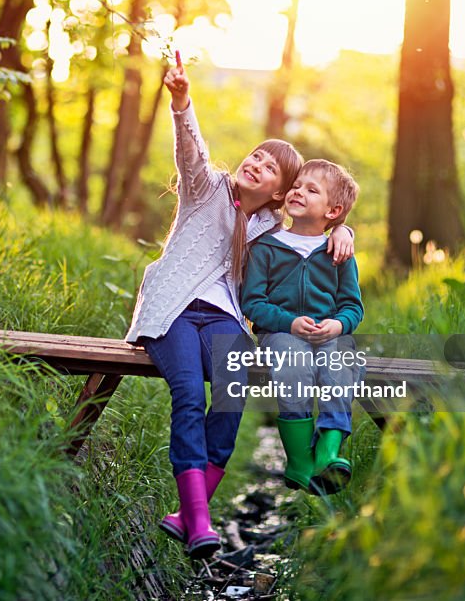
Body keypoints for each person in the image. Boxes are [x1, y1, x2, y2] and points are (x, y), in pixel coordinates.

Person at [125, 56, 354, 559]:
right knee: (188, 393)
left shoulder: (271, 228)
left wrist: (344, 229)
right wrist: (181, 101)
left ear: (280, 191)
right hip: (175, 312)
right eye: (256, 157)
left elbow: (314, 226)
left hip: (223, 319)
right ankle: (200, 522)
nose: (256, 165)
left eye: (270, 168)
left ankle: (189, 515)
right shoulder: (206, 188)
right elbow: (191, 151)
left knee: (231, 395)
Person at [240, 159, 364, 495]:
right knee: (293, 363)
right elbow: (252, 302)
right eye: (297, 185)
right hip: (280, 334)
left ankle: (327, 452)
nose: (298, 191)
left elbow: (353, 306)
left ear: (333, 211)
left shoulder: (338, 251)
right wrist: (289, 322)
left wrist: (339, 326)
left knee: (341, 364)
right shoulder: (266, 246)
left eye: (312, 190)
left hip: (330, 337)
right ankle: (298, 460)